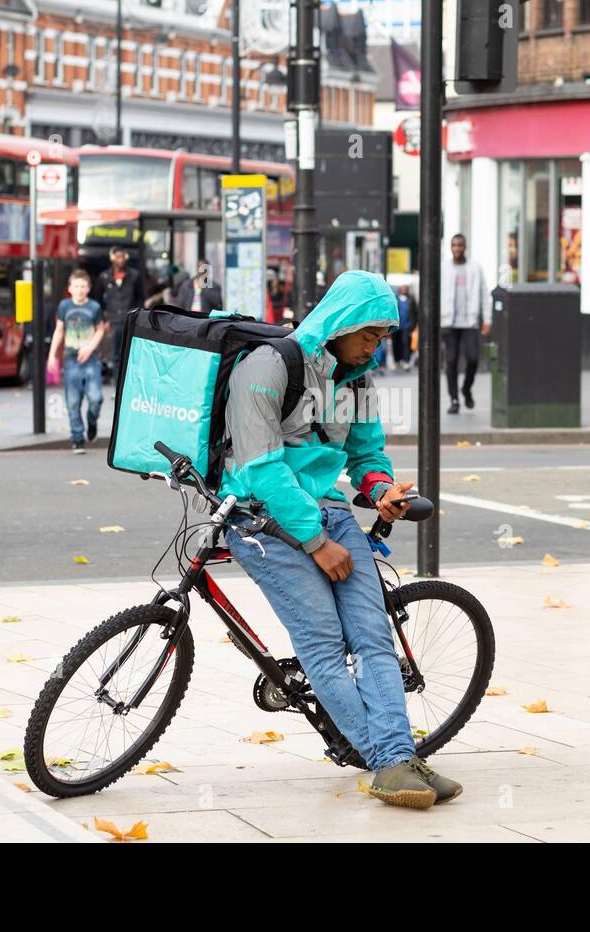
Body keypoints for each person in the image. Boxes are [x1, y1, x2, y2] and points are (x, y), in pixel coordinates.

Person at [220, 269, 463, 810]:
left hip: (329, 514)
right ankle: (390, 764)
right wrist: (314, 541)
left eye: (382, 338)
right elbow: (260, 468)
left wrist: (380, 490)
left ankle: (399, 758)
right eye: (369, 335)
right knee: (325, 647)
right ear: (341, 322)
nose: (374, 347)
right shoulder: (265, 367)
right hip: (262, 520)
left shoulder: (356, 382)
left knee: (374, 636)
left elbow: (367, 457)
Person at [47, 269, 106, 454]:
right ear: (70, 288)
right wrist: (51, 355)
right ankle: (77, 438)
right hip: (71, 360)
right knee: (73, 401)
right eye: (76, 286)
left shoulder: (95, 307)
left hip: (91, 360)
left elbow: (100, 330)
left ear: (88, 288)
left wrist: (90, 348)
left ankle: (92, 420)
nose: (80, 290)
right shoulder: (64, 306)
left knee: (96, 398)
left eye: (83, 286)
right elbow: (59, 330)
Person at [440, 233, 491, 414]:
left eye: (460, 245)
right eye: (454, 245)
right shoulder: (444, 268)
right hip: (448, 322)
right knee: (451, 361)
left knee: (473, 359)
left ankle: (466, 389)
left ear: (465, 247)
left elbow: (484, 294)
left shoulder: (475, 268)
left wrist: (487, 319)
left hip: (470, 321)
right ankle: (454, 399)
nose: (457, 248)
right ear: (450, 247)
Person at [94, 247, 142, 380]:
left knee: (131, 353)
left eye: (122, 256)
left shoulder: (135, 276)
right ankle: (117, 386)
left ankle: (129, 384)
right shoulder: (104, 276)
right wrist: (104, 320)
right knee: (115, 354)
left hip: (130, 319)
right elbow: (98, 300)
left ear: (126, 258)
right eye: (117, 257)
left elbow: (140, 298)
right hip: (113, 320)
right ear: (112, 258)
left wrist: (138, 316)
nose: (120, 260)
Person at [392, 284, 418, 370]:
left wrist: (413, 325)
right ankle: (397, 360)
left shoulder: (411, 299)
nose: (404, 289)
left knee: (406, 343)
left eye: (405, 288)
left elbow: (415, 312)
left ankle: (406, 361)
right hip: (396, 325)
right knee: (396, 344)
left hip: (407, 325)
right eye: (402, 288)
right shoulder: (395, 298)